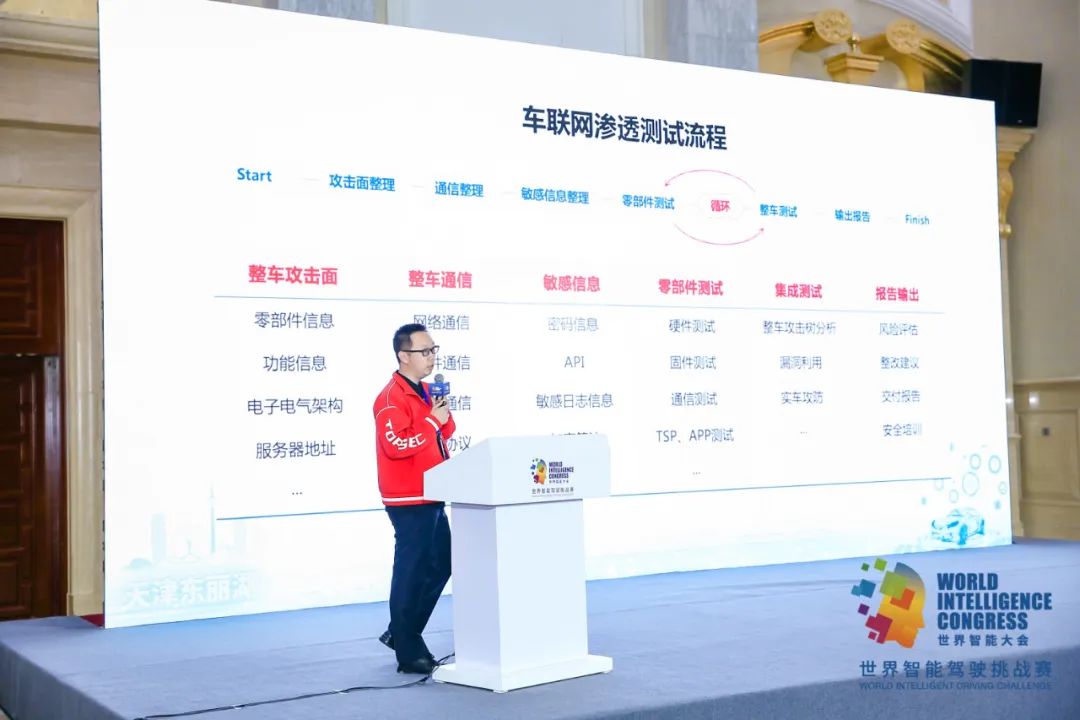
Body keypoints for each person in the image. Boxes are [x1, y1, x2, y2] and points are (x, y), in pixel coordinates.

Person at [371, 323, 455, 674]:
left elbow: (444, 431)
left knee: (443, 562)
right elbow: (396, 445)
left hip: (433, 492)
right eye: (425, 351)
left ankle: (401, 632)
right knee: (412, 570)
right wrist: (432, 422)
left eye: (434, 350)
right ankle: (408, 652)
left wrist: (440, 415)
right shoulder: (391, 398)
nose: (431, 357)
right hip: (408, 498)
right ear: (404, 356)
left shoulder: (425, 392)